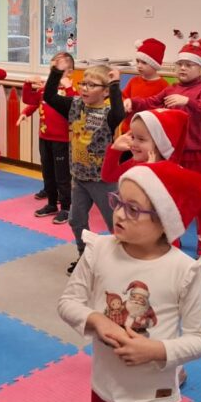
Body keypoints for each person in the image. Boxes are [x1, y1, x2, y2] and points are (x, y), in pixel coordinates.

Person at [58, 162, 201, 402]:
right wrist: (97, 320)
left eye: (133, 209)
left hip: (153, 401)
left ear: (163, 221)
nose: (119, 214)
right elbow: (68, 302)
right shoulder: (99, 250)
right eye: (118, 202)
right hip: (104, 393)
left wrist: (155, 351)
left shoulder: (183, 270)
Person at [126, 31, 201, 265]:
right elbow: (151, 102)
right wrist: (132, 102)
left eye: (189, 65)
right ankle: (172, 242)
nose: (183, 68)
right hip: (175, 155)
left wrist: (188, 102)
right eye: (180, 64)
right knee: (171, 200)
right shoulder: (171, 89)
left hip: (198, 156)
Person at [43, 61, 125, 275]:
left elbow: (120, 113)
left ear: (105, 92)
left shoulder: (108, 113)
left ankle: (124, 259)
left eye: (92, 85)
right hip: (79, 177)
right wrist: (56, 72)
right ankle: (85, 256)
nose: (85, 88)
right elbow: (49, 97)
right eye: (83, 83)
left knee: (116, 224)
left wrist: (115, 84)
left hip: (103, 180)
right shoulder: (75, 105)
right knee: (76, 220)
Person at [19, 52, 76, 225]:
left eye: (59, 70)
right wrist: (27, 84)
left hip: (61, 140)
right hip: (44, 137)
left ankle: (66, 207)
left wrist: (68, 87)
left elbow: (74, 106)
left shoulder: (71, 91)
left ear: (70, 72)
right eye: (53, 69)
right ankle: (51, 204)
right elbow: (30, 100)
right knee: (48, 172)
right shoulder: (46, 89)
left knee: (62, 175)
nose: (55, 73)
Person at [120, 38, 169, 134]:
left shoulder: (163, 85)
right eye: (138, 61)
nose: (139, 65)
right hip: (129, 128)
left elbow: (164, 110)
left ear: (154, 65)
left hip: (149, 131)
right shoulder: (134, 81)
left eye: (144, 62)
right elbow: (124, 96)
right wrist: (125, 103)